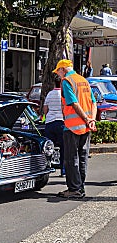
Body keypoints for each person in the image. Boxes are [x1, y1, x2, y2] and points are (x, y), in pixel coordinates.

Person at [53, 59, 97, 198]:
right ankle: (80, 187)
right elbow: (94, 103)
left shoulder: (67, 81)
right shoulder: (83, 80)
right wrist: (92, 120)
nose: (58, 75)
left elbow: (74, 104)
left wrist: (86, 119)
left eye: (58, 72)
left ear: (63, 70)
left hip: (72, 127)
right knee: (82, 158)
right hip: (86, 127)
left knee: (71, 159)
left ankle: (74, 189)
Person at [43, 78, 65, 177]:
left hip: (50, 122)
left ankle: (47, 166)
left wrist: (47, 115)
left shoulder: (50, 94)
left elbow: (45, 109)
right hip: (61, 122)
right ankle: (63, 169)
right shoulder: (64, 95)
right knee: (63, 147)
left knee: (48, 147)